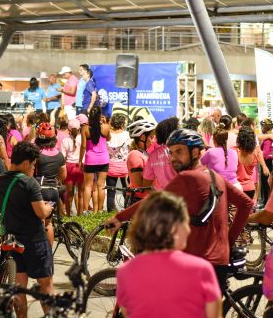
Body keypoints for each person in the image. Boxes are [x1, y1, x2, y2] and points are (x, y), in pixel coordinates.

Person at [108, 129, 254, 290]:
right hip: (219, 259)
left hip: (198, 262)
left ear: (196, 152)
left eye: (179, 152)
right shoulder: (214, 176)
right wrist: (228, 240)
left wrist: (119, 217)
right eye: (171, 153)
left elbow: (154, 201)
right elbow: (246, 204)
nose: (173, 158)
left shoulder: (188, 178)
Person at [0, 142, 55, 318]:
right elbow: (41, 213)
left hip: (13, 241)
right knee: (46, 285)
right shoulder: (29, 183)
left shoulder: (0, 181)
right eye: (34, 164)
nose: (34, 167)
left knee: (20, 287)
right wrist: (49, 207)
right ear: (27, 162)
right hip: (34, 240)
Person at [35, 123, 66, 243]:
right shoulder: (59, 155)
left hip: (39, 190)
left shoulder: (37, 154)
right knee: (48, 224)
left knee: (38, 223)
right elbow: (63, 175)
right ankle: (48, 255)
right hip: (53, 191)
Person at [79, 107, 110, 213]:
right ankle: (100, 210)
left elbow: (83, 146)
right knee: (101, 185)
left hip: (90, 159)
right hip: (103, 159)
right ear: (100, 115)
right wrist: (105, 123)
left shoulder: (85, 128)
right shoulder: (106, 127)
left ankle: (85, 210)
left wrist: (80, 160)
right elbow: (109, 138)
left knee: (88, 186)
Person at [143, 117, 179, 191]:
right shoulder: (181, 151)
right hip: (180, 197)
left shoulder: (153, 155)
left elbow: (146, 183)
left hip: (162, 197)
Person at [125, 119, 156, 202]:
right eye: (151, 137)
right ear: (143, 137)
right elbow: (139, 183)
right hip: (139, 200)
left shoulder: (143, 154)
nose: (153, 141)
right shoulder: (135, 155)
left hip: (147, 198)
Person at [235, 126, 268, 200]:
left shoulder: (234, 152)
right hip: (250, 188)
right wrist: (264, 166)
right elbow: (259, 152)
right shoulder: (256, 153)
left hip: (237, 188)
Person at [106, 114, 130, 212]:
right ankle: (128, 209)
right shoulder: (126, 134)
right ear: (122, 123)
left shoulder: (108, 135)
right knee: (127, 190)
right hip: (124, 167)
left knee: (111, 191)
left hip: (111, 166)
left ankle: (110, 211)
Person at [60, 118, 83, 215]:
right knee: (81, 194)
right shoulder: (82, 139)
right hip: (80, 166)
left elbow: (63, 157)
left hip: (69, 167)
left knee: (69, 193)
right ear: (79, 129)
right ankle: (80, 214)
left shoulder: (65, 140)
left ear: (68, 129)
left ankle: (68, 214)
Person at [257, 119, 273, 206]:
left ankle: (266, 203)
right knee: (265, 183)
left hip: (267, 162)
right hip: (268, 162)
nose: (261, 128)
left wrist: (258, 155)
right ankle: (265, 202)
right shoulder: (269, 136)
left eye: (262, 126)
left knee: (265, 183)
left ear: (264, 127)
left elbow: (265, 153)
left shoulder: (268, 139)